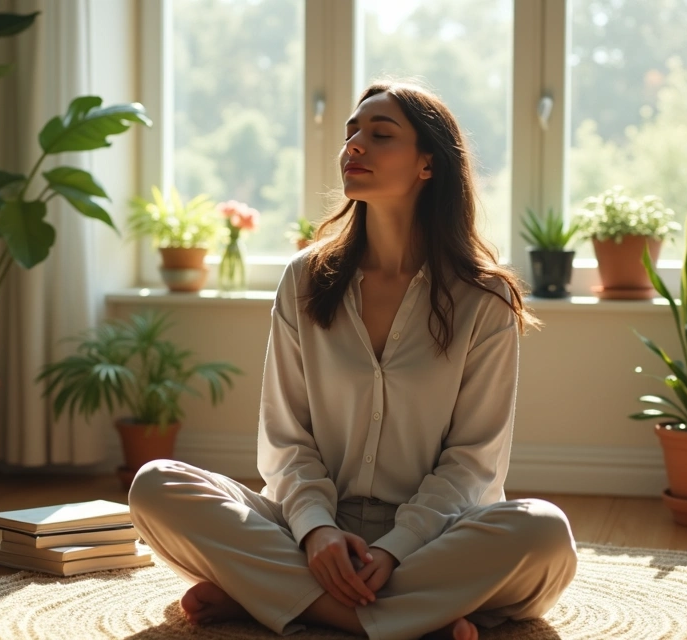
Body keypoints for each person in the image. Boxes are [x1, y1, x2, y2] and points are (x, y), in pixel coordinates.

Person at [129, 81, 578, 640]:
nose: (354, 146)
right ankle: (405, 620)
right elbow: (287, 440)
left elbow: (472, 463)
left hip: (439, 534)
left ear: (428, 165)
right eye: (351, 134)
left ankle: (272, 597)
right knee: (156, 485)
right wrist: (316, 531)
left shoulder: (484, 297)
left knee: (544, 535)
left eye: (380, 135)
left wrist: (394, 549)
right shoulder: (305, 279)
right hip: (311, 526)